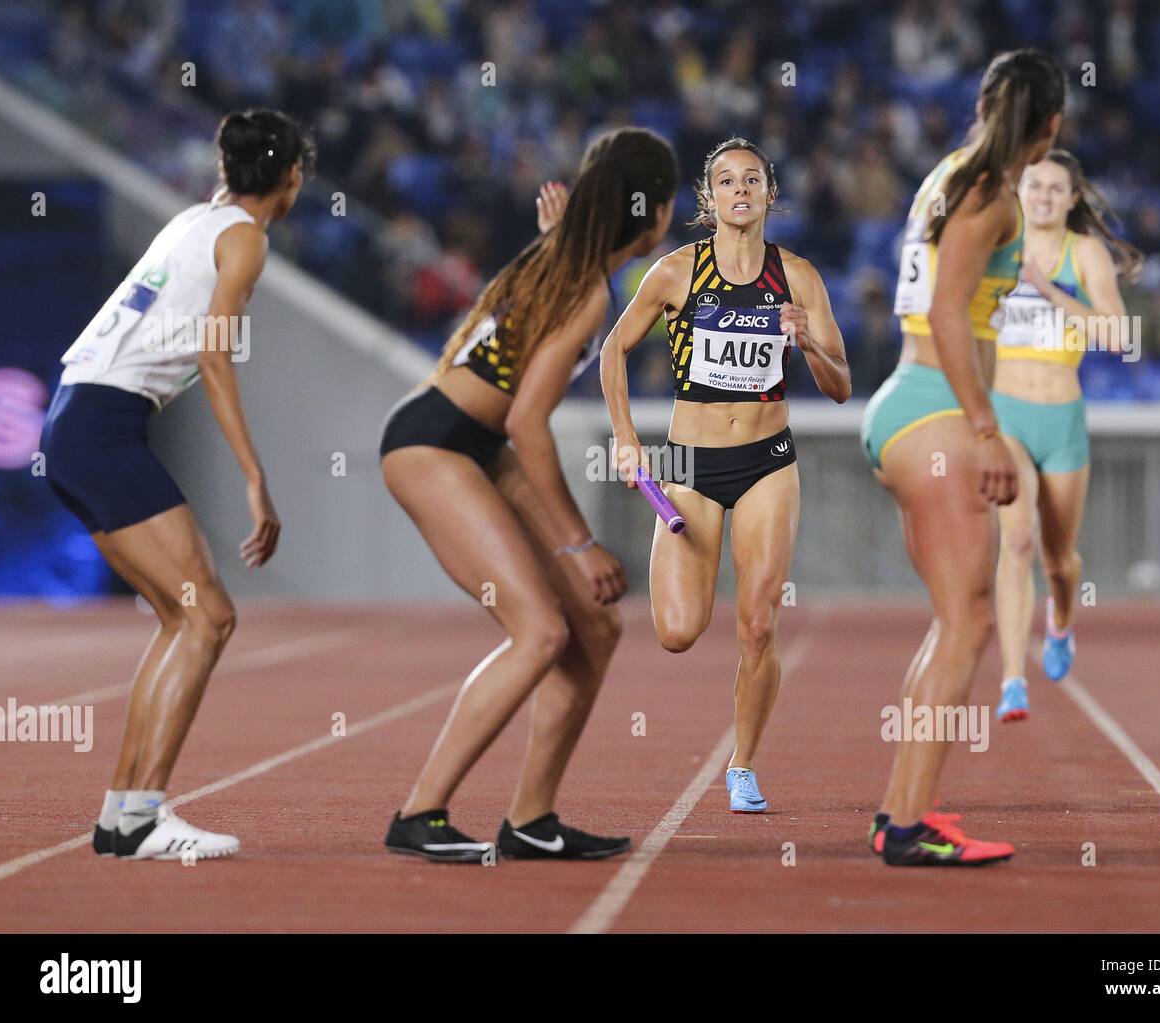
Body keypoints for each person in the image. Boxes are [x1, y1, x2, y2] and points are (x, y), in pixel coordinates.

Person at [378, 128, 678, 862]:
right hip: (434, 444)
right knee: (541, 630)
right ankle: (420, 812)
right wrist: (579, 545)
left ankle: (532, 820)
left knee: (595, 632)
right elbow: (527, 423)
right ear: (656, 215)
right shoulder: (585, 293)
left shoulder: (565, 265)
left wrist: (555, 230)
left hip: (471, 440)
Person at [40, 108, 314, 860]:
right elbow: (217, 356)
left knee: (182, 617)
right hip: (103, 427)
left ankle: (123, 812)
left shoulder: (193, 220)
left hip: (74, 421)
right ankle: (140, 814)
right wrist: (257, 481)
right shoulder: (247, 240)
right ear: (290, 178)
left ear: (226, 171)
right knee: (209, 617)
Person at [601, 138, 850, 814]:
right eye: (723, 180)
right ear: (708, 201)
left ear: (771, 194)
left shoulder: (798, 277)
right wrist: (626, 439)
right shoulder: (675, 272)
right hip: (686, 462)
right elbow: (612, 350)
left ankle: (743, 764)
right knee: (679, 631)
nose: (739, 190)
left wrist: (807, 341)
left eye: (751, 179)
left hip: (767, 461)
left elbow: (840, 385)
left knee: (758, 623)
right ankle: (680, 565)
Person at [860, 50, 1065, 865]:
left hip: (907, 408)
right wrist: (985, 428)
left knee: (957, 622)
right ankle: (905, 825)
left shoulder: (953, 172)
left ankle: (904, 810)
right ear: (1051, 126)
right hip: (935, 414)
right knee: (973, 620)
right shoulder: (993, 193)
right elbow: (949, 314)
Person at [992, 149, 1141, 721]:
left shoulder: (1084, 253)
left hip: (1061, 418)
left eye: (1057, 188)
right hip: (1006, 414)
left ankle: (1061, 620)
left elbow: (1116, 334)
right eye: (1035, 185)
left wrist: (1048, 289)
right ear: (1019, 189)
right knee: (1018, 541)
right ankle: (1011, 680)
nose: (1045, 196)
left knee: (1059, 561)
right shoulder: (999, 247)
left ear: (1073, 198)